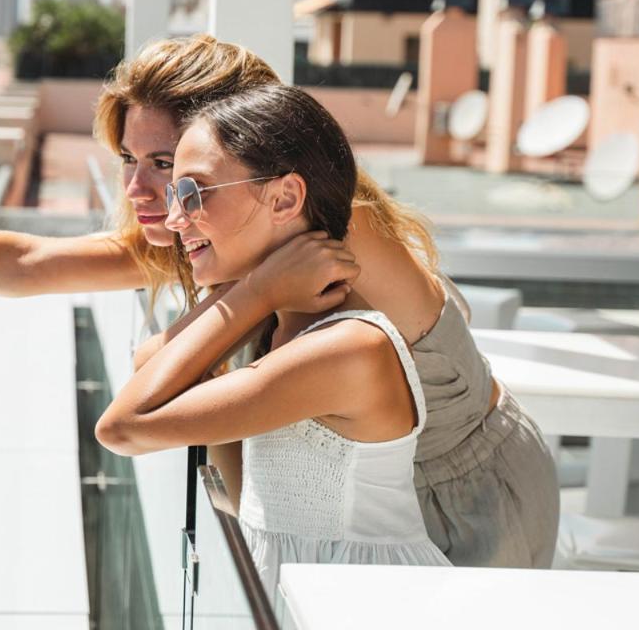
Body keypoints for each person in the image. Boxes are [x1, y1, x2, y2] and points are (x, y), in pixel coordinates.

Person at [0, 33, 558, 567]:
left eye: (170, 166)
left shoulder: (327, 227)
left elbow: (143, 408)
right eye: (130, 164)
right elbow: (26, 260)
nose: (145, 194)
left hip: (462, 500)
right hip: (335, 513)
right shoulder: (226, 235)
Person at [96, 83, 451, 617]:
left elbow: (123, 426)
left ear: (284, 197)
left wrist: (257, 291)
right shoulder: (282, 332)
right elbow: (151, 365)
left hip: (365, 608)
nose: (174, 219)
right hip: (294, 601)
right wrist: (258, 294)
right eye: (174, 196)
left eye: (193, 193)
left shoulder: (348, 348)